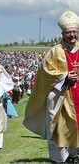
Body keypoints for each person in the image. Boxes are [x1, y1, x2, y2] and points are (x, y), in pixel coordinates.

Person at [23, 10, 79, 164]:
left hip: (78, 94)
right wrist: (65, 76)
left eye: (74, 32)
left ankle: (74, 155)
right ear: (63, 33)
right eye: (69, 33)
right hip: (61, 96)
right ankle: (61, 157)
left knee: (75, 125)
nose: (72, 35)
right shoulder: (55, 51)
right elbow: (45, 71)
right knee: (60, 127)